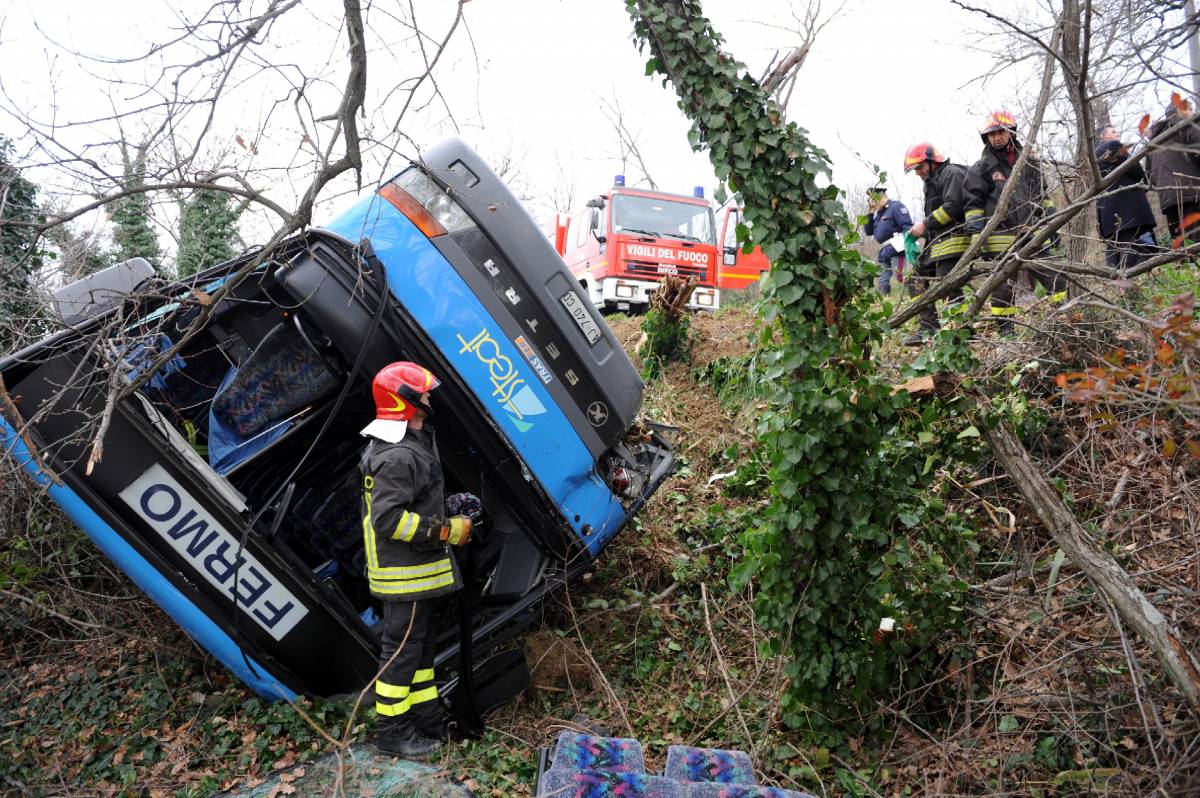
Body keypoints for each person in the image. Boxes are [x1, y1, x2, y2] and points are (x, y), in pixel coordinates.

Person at [360, 361, 473, 758]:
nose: (429, 398)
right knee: (402, 654)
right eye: (423, 393)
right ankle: (391, 731)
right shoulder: (396, 456)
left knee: (421, 653)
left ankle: (426, 718)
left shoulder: (412, 445)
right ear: (405, 400)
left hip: (415, 575)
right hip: (403, 578)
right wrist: (446, 530)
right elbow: (388, 520)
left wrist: (446, 509)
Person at [963, 109, 1065, 333]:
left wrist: (1052, 225)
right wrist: (976, 237)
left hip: (1030, 234)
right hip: (999, 237)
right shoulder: (982, 168)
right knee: (1002, 289)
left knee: (1055, 275)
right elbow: (973, 205)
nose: (997, 137)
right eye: (992, 134)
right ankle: (1006, 332)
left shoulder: (1029, 162)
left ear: (1011, 132)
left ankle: (1065, 320)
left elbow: (1042, 198)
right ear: (986, 138)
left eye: (1001, 132)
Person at [902, 142, 969, 345]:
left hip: (957, 239)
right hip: (939, 242)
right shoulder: (930, 182)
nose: (918, 173)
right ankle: (928, 328)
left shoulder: (951, 173)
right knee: (915, 279)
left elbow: (953, 207)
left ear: (932, 162)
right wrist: (923, 238)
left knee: (946, 283)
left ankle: (961, 331)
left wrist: (925, 224)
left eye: (920, 168)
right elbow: (934, 218)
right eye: (915, 169)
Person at [1094, 135, 1158, 272]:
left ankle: (1118, 288)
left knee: (1115, 256)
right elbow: (1138, 173)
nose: (1116, 135)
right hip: (1133, 214)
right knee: (1145, 250)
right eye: (1112, 131)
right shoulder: (1113, 146)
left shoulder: (1094, 157)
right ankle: (1143, 283)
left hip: (1108, 217)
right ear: (1103, 135)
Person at [1145, 103, 1200, 245]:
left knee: (1181, 246)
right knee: (1196, 240)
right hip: (1192, 193)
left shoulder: (1154, 141)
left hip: (1167, 199)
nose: (1193, 113)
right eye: (1190, 109)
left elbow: (1149, 176)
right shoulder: (1188, 125)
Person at [862, 187, 913, 295]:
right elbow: (868, 231)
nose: (873, 203)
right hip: (883, 252)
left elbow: (907, 227)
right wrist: (870, 213)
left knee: (900, 277)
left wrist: (906, 245)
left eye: (874, 199)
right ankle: (884, 301)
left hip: (896, 248)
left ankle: (912, 296)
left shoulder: (895, 207)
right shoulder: (878, 215)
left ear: (881, 197)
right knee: (882, 280)